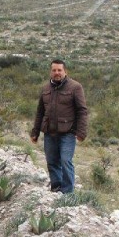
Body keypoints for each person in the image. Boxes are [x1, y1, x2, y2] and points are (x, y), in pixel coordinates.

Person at [30, 59, 89, 194]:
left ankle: (68, 193)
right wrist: (35, 132)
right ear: (50, 72)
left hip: (67, 132)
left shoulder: (75, 87)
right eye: (54, 70)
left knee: (65, 161)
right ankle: (56, 189)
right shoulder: (45, 88)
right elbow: (40, 112)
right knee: (52, 161)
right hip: (49, 132)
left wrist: (81, 132)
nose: (57, 73)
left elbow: (82, 110)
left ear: (65, 71)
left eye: (59, 70)